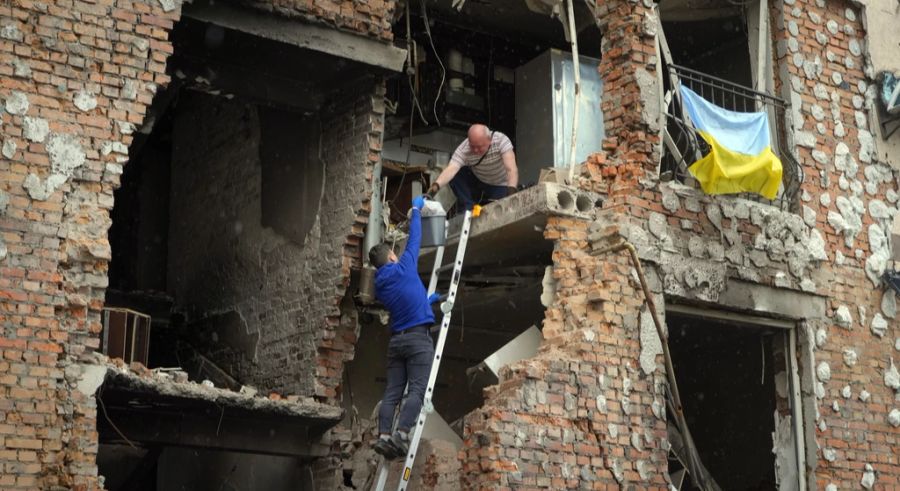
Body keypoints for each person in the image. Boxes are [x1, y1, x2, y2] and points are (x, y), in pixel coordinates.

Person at [368, 195, 441, 459]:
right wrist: (416, 210)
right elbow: (415, 239)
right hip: (417, 340)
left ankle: (384, 436)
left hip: (396, 341)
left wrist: (426, 301)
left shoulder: (380, 284)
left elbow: (404, 299)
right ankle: (402, 434)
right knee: (417, 390)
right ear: (390, 256)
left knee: (393, 392)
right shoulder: (404, 266)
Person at [427, 124, 519, 211]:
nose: (475, 150)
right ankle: (468, 207)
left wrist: (511, 192)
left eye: (479, 147)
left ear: (489, 140)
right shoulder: (464, 148)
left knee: (500, 210)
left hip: (499, 184)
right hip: (478, 182)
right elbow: (451, 169)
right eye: (472, 146)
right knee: (457, 172)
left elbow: (511, 169)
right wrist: (435, 187)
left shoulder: (501, 140)